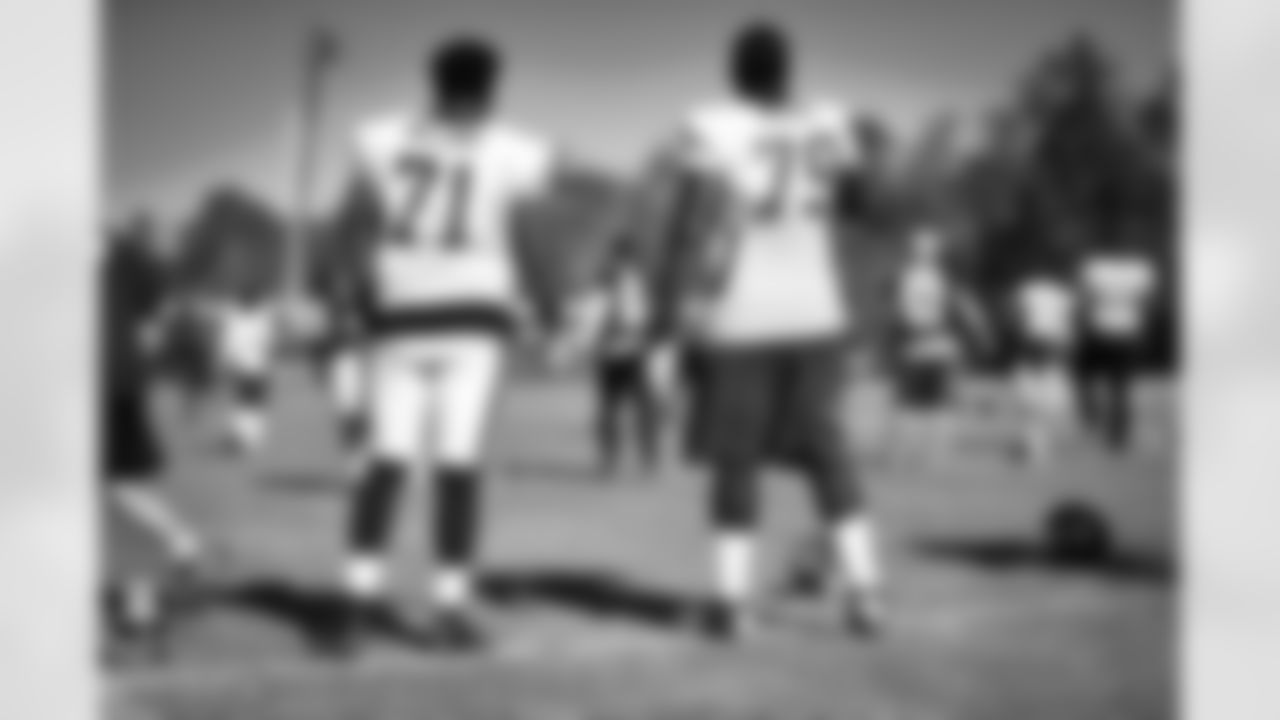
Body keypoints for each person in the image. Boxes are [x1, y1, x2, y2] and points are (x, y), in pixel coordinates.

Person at [326, 35, 613, 655]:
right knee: (457, 466)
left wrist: (344, 298)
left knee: (386, 463)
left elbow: (354, 223)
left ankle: (353, 605)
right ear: (491, 89)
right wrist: (553, 302)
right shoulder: (512, 149)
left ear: (433, 82)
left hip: (398, 314)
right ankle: (450, 606)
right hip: (473, 318)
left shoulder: (379, 139)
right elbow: (554, 209)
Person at [649, 20, 884, 641]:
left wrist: (663, 323)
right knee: (828, 454)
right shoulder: (829, 121)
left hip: (741, 313)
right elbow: (863, 205)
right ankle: (865, 593)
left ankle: (731, 604)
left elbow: (687, 226)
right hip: (816, 310)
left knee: (737, 459)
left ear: (734, 72)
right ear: (789, 69)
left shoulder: (713, 125)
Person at [101, 222, 206, 653]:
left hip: (107, 384)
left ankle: (174, 548)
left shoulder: (121, 255)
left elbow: (161, 306)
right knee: (122, 490)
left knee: (118, 489)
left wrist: (146, 351)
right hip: (110, 381)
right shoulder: (121, 253)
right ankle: (140, 605)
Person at [886, 226, 986, 463]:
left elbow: (895, 315)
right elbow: (966, 309)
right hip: (939, 346)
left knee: (909, 404)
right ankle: (933, 454)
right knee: (938, 404)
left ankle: (904, 453)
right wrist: (980, 336)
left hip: (916, 346)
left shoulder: (903, 277)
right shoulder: (944, 279)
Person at [1075, 232, 1159, 452]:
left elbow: (1084, 301)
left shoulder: (1094, 268)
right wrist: (1143, 329)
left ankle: (1092, 412)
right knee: (1121, 386)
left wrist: (1081, 326)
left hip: (1098, 330)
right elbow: (1148, 303)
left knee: (1082, 372)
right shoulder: (1141, 269)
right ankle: (1119, 435)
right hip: (1128, 332)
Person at [591, 247, 662, 479]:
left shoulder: (624, 282)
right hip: (619, 352)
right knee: (623, 408)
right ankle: (627, 459)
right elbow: (637, 318)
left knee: (627, 408)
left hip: (626, 352)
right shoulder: (619, 282)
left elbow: (634, 318)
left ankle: (625, 460)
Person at [1009, 258, 1079, 465]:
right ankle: (1039, 443)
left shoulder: (1028, 290)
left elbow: (1019, 316)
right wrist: (1068, 343)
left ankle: (1034, 444)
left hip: (1034, 339)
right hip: (1055, 341)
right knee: (1048, 392)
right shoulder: (1064, 293)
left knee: (1031, 394)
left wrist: (1020, 337)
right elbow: (1068, 319)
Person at [212, 289, 278, 456]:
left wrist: (224, 363)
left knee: (243, 403)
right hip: (257, 366)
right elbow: (269, 343)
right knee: (253, 403)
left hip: (242, 367)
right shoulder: (262, 319)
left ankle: (244, 438)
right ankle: (251, 438)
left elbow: (227, 345)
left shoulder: (234, 319)